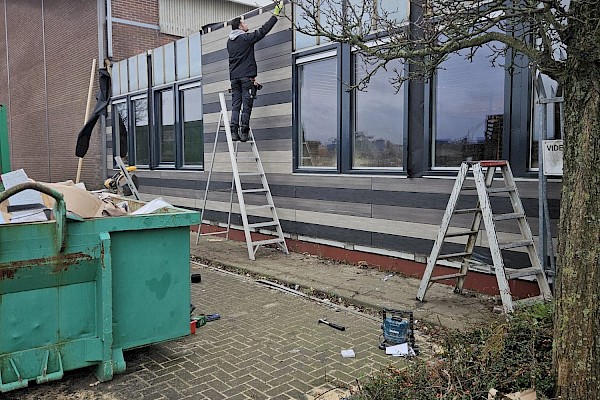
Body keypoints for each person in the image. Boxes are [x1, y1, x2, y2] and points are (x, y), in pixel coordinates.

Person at [227, 1, 284, 142]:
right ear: (240, 26)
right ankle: (244, 132)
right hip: (246, 79)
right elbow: (263, 31)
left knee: (236, 105)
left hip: (234, 79)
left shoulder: (230, 42)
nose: (247, 25)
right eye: (244, 23)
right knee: (247, 105)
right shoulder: (245, 38)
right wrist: (275, 14)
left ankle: (234, 131)